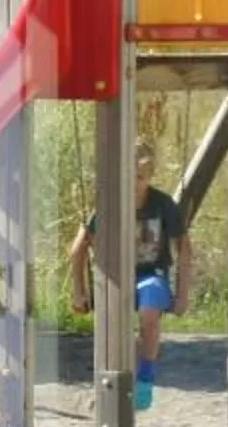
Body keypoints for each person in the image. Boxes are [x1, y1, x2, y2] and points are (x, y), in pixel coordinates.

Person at [63, 141, 191, 412]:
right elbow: (77, 250)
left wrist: (182, 294)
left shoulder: (163, 204)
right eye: (128, 177)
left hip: (151, 274)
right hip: (117, 277)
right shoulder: (109, 205)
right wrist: (79, 291)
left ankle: (145, 379)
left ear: (150, 177)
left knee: (149, 312)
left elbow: (185, 250)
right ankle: (113, 381)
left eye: (140, 178)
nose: (134, 184)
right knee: (116, 329)